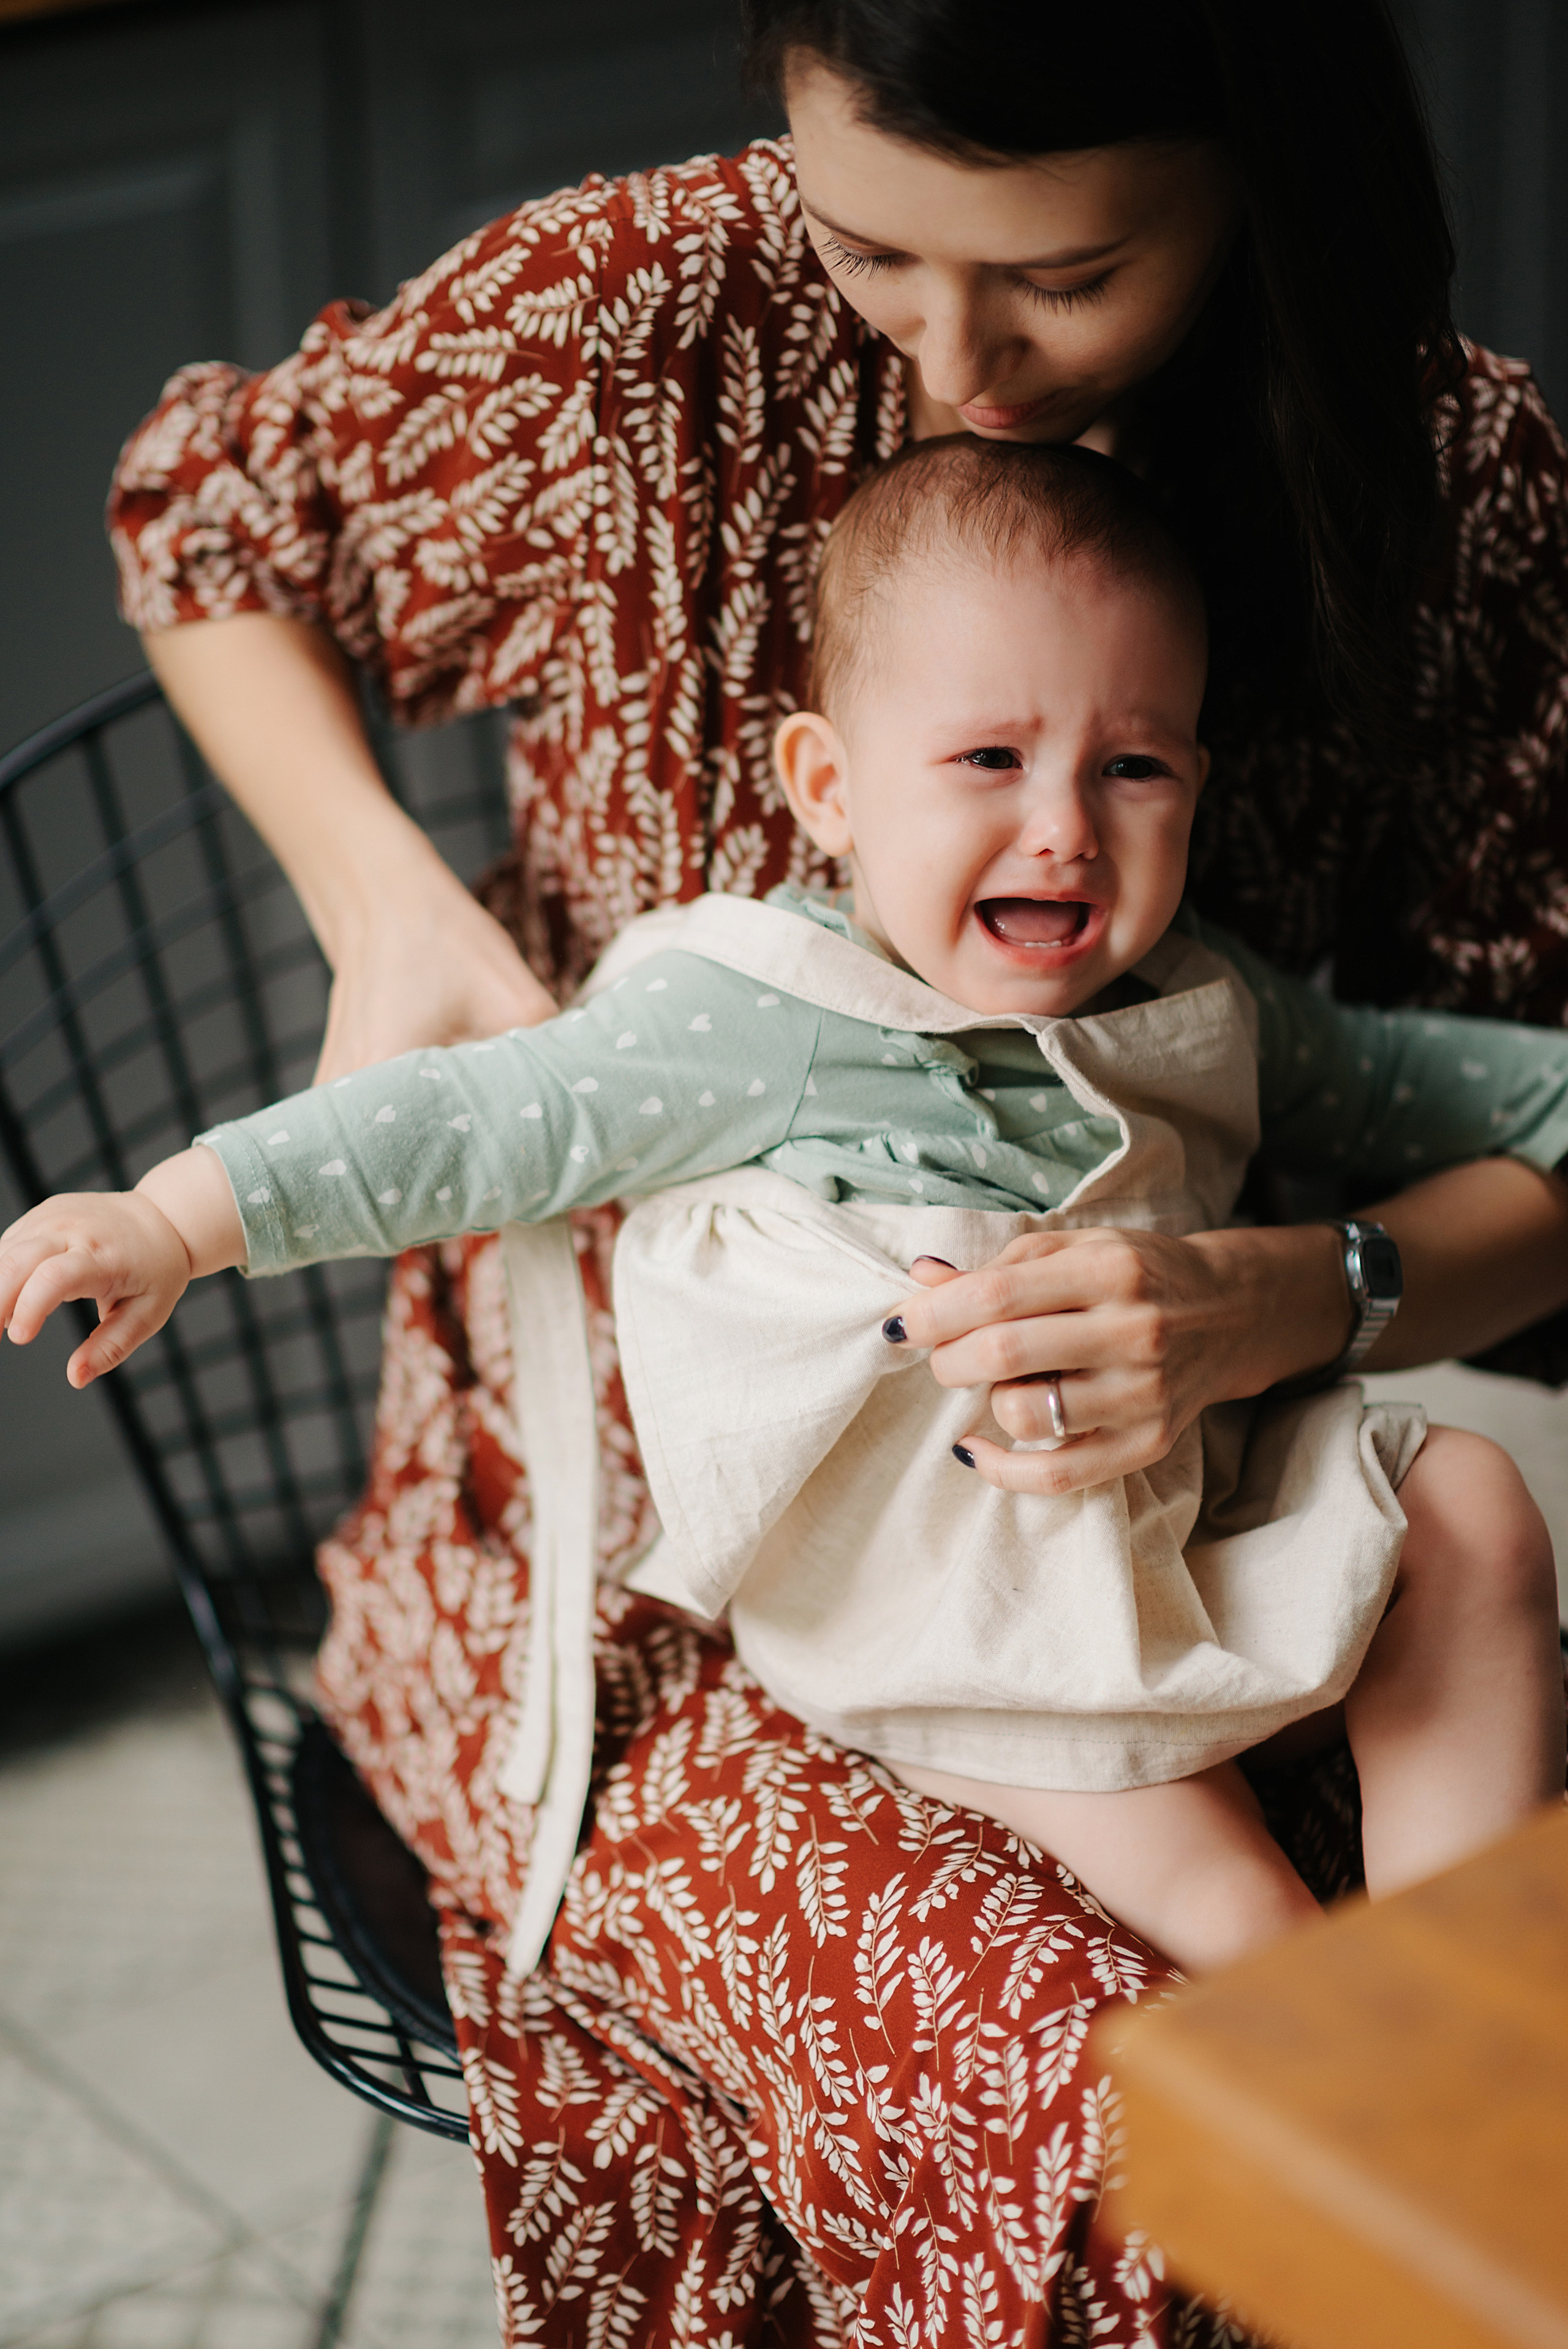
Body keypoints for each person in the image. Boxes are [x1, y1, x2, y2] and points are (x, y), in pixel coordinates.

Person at [100, 1, 1568, 2338]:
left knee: (1481, 1998)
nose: (954, 348)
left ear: (1259, 172)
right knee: (1136, 2126)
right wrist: (377, 892)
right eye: (875, 246)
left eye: (1065, 276)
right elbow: (210, 508)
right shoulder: (656, 311)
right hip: (663, 1540)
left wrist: (1320, 1291)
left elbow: (1518, 1113)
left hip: (1212, 1455)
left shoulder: (1455, 478)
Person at [15, 435, 1563, 1984]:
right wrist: (181, 1217)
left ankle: (1455, 1987)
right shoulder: (764, 1012)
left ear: (1193, 789)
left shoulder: (1209, 998)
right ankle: (1372, 2056)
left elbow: (1418, 1081)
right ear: (826, 788)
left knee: (1472, 1503)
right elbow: (480, 1115)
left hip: (1186, 1503)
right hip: (968, 1606)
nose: (1064, 827)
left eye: (1131, 765)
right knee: (1245, 1926)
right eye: (988, 760)